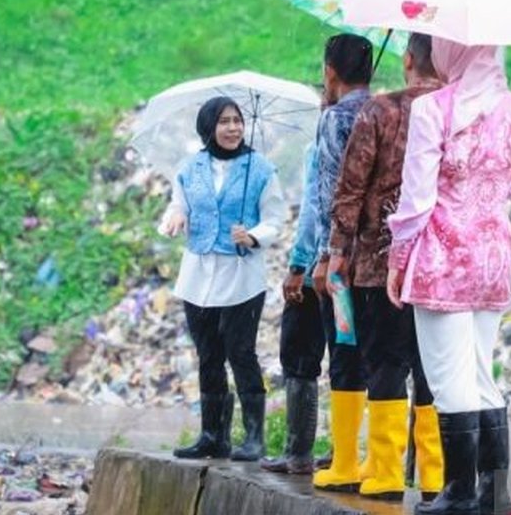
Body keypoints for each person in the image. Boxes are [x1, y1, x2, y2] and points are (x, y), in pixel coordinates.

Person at [386, 41, 511, 515]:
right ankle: (495, 493)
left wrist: (398, 258)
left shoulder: (434, 107)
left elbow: (416, 200)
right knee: (480, 372)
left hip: (443, 258)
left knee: (450, 379)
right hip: (493, 256)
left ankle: (458, 493)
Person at [326, 32, 445, 501]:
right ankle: (436, 476)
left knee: (386, 362)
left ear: (408, 58)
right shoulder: (459, 112)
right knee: (434, 367)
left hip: (380, 262)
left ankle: (386, 472)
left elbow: (351, 187)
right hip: (440, 265)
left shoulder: (381, 110)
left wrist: (338, 250)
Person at [160, 96, 286, 462]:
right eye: (224, 121)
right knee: (208, 356)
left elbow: (275, 218)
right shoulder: (190, 168)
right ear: (208, 127)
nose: (232, 128)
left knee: (241, 353)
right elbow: (178, 203)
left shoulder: (259, 169)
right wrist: (174, 217)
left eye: (237, 121)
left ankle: (254, 438)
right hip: (199, 275)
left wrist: (254, 235)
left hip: (241, 276)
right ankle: (212, 435)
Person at [310, 32, 375, 492]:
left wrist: (322, 259)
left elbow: (333, 193)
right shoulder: (387, 110)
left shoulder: (335, 118)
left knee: (344, 352)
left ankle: (345, 458)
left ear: (330, 72)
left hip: (341, 258)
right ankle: (379, 460)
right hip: (381, 258)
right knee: (382, 357)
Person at [258, 138, 325, 474]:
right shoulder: (386, 128)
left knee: (299, 356)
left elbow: (314, 207)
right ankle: (350, 458)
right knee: (354, 366)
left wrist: (299, 265)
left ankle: (298, 452)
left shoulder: (324, 141)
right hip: (365, 272)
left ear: (331, 82)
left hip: (319, 270)